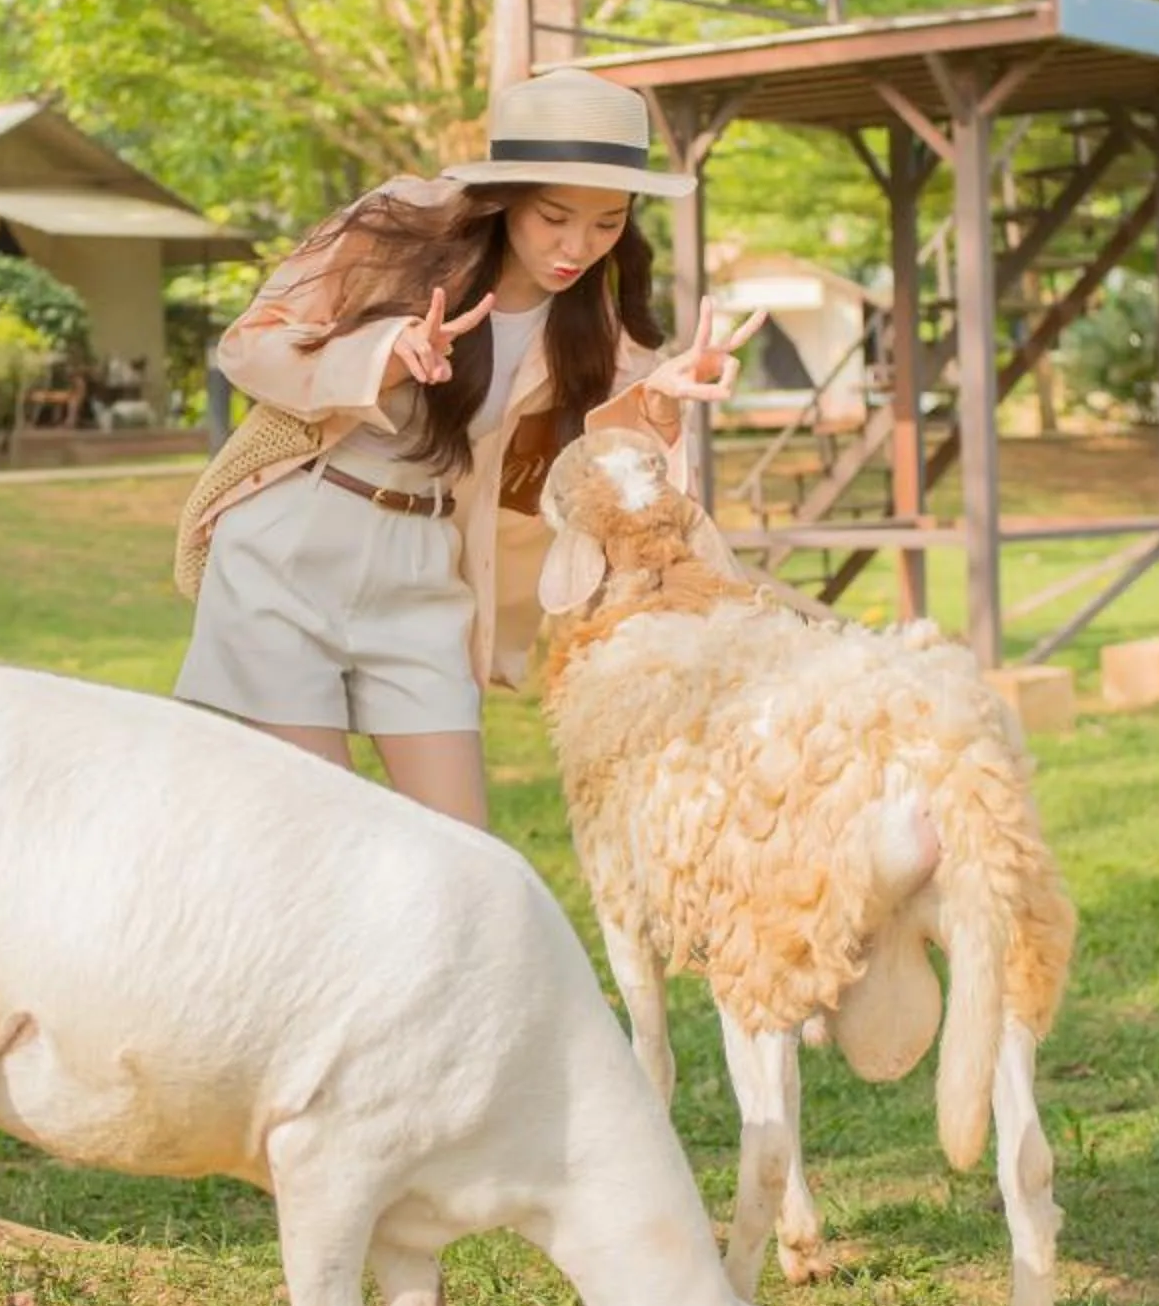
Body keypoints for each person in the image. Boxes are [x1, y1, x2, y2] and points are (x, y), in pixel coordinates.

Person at [174, 68, 763, 829]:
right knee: (318, 839)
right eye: (555, 216)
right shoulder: (396, 229)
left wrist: (663, 393)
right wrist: (388, 352)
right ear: (507, 193)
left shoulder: (588, 326)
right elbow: (249, 349)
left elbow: (602, 457)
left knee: (464, 852)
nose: (578, 246)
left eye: (607, 223)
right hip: (294, 553)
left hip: (425, 571)